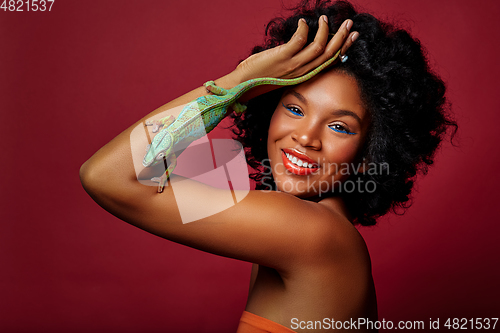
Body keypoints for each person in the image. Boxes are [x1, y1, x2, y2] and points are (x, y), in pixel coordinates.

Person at [79, 0, 456, 331]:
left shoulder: (313, 233)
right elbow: (151, 169)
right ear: (269, 111)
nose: (306, 137)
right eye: (293, 108)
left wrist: (238, 82)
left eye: (339, 126)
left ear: (370, 154)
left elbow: (109, 177)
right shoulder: (303, 225)